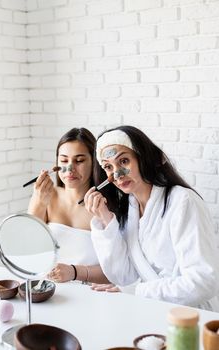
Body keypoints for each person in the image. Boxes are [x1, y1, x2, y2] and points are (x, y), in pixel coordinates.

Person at [84, 125, 219, 311]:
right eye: (108, 166)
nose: (117, 174)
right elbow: (124, 279)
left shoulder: (183, 202)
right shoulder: (128, 209)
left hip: (190, 316)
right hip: (149, 310)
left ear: (144, 158)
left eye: (123, 161)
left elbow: (204, 281)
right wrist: (106, 219)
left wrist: (137, 292)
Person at [28, 127, 109, 285]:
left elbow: (115, 272)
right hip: (48, 291)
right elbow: (29, 251)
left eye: (79, 161)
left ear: (94, 162)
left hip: (92, 295)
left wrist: (73, 272)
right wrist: (38, 203)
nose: (70, 168)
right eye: (64, 160)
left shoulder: (103, 205)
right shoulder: (46, 195)